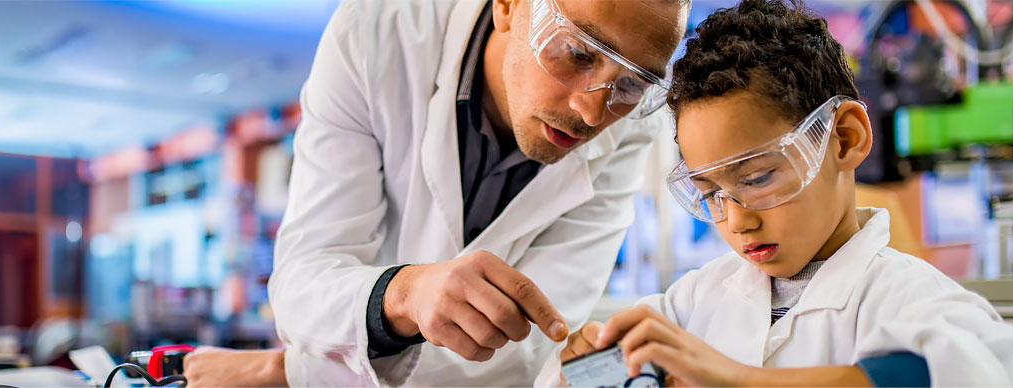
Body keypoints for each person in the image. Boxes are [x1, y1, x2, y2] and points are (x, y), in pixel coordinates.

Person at [538, 0, 1013, 386]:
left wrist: (732, 377)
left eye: (757, 179)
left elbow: (955, 370)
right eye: (711, 192)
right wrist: (585, 365)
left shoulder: (907, 297)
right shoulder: (694, 301)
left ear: (844, 138)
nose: (737, 221)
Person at [183, 0, 689, 386]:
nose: (592, 111)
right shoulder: (377, 34)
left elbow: (525, 342)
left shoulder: (632, 129)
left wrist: (288, 373)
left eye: (632, 83)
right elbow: (302, 286)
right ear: (509, 6)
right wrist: (404, 296)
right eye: (577, 52)